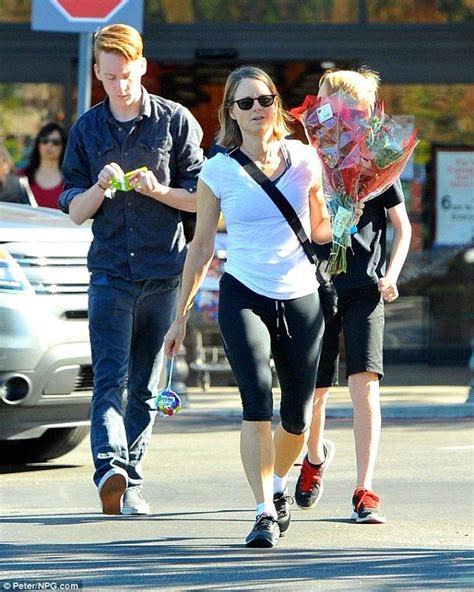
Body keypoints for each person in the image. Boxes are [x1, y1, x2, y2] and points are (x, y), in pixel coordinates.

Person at [164, 65, 335, 548]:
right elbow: (200, 248)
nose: (257, 109)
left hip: (301, 294)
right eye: (246, 103)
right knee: (256, 403)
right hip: (245, 293)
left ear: (276, 104)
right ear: (231, 113)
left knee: (297, 417)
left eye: (265, 100)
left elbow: (320, 231)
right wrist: (180, 316)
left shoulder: (306, 158)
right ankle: (263, 510)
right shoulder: (217, 169)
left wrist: (346, 217)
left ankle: (279, 484)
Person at [59, 24, 204, 516]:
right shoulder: (87, 130)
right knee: (108, 379)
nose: (119, 84)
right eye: (109, 76)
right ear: (97, 72)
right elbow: (75, 210)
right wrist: (100, 187)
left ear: (142, 66)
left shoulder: (175, 122)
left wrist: (157, 190)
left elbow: (203, 202)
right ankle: (110, 469)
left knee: (143, 385)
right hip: (110, 274)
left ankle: (131, 480)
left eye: (127, 73)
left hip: (164, 272)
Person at [294, 68, 412, 524]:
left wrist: (391, 274)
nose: (322, 110)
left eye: (329, 101)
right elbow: (302, 225)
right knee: (316, 391)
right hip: (315, 283)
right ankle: (315, 458)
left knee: (365, 387)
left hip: (365, 286)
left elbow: (402, 228)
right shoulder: (310, 160)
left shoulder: (379, 161)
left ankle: (365, 487)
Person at [22, 122, 67, 208]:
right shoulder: (22, 177)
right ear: (38, 144)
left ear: (63, 146)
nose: (49, 145)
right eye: (44, 140)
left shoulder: (71, 179)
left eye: (56, 142)